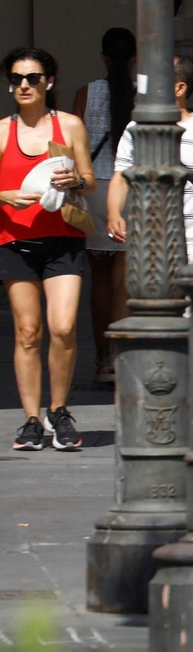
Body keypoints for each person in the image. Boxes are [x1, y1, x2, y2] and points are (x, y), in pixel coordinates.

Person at [0, 48, 93, 451]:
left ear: (49, 82)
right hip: (15, 240)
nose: (24, 85)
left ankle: (59, 410)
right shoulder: (2, 130)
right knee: (27, 332)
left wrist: (74, 180)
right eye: (18, 78)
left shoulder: (69, 125)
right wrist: (5, 195)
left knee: (64, 326)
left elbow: (90, 180)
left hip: (64, 238)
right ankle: (32, 419)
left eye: (33, 78)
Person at [70, 27, 135, 381]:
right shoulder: (144, 95)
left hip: (94, 189)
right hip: (129, 190)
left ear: (103, 57)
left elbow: (72, 147)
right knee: (124, 279)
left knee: (99, 279)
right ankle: (122, 359)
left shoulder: (85, 93)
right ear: (135, 58)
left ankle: (102, 358)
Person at [107, 54, 193, 268]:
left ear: (179, 88)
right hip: (151, 244)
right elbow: (121, 177)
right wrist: (114, 213)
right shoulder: (135, 129)